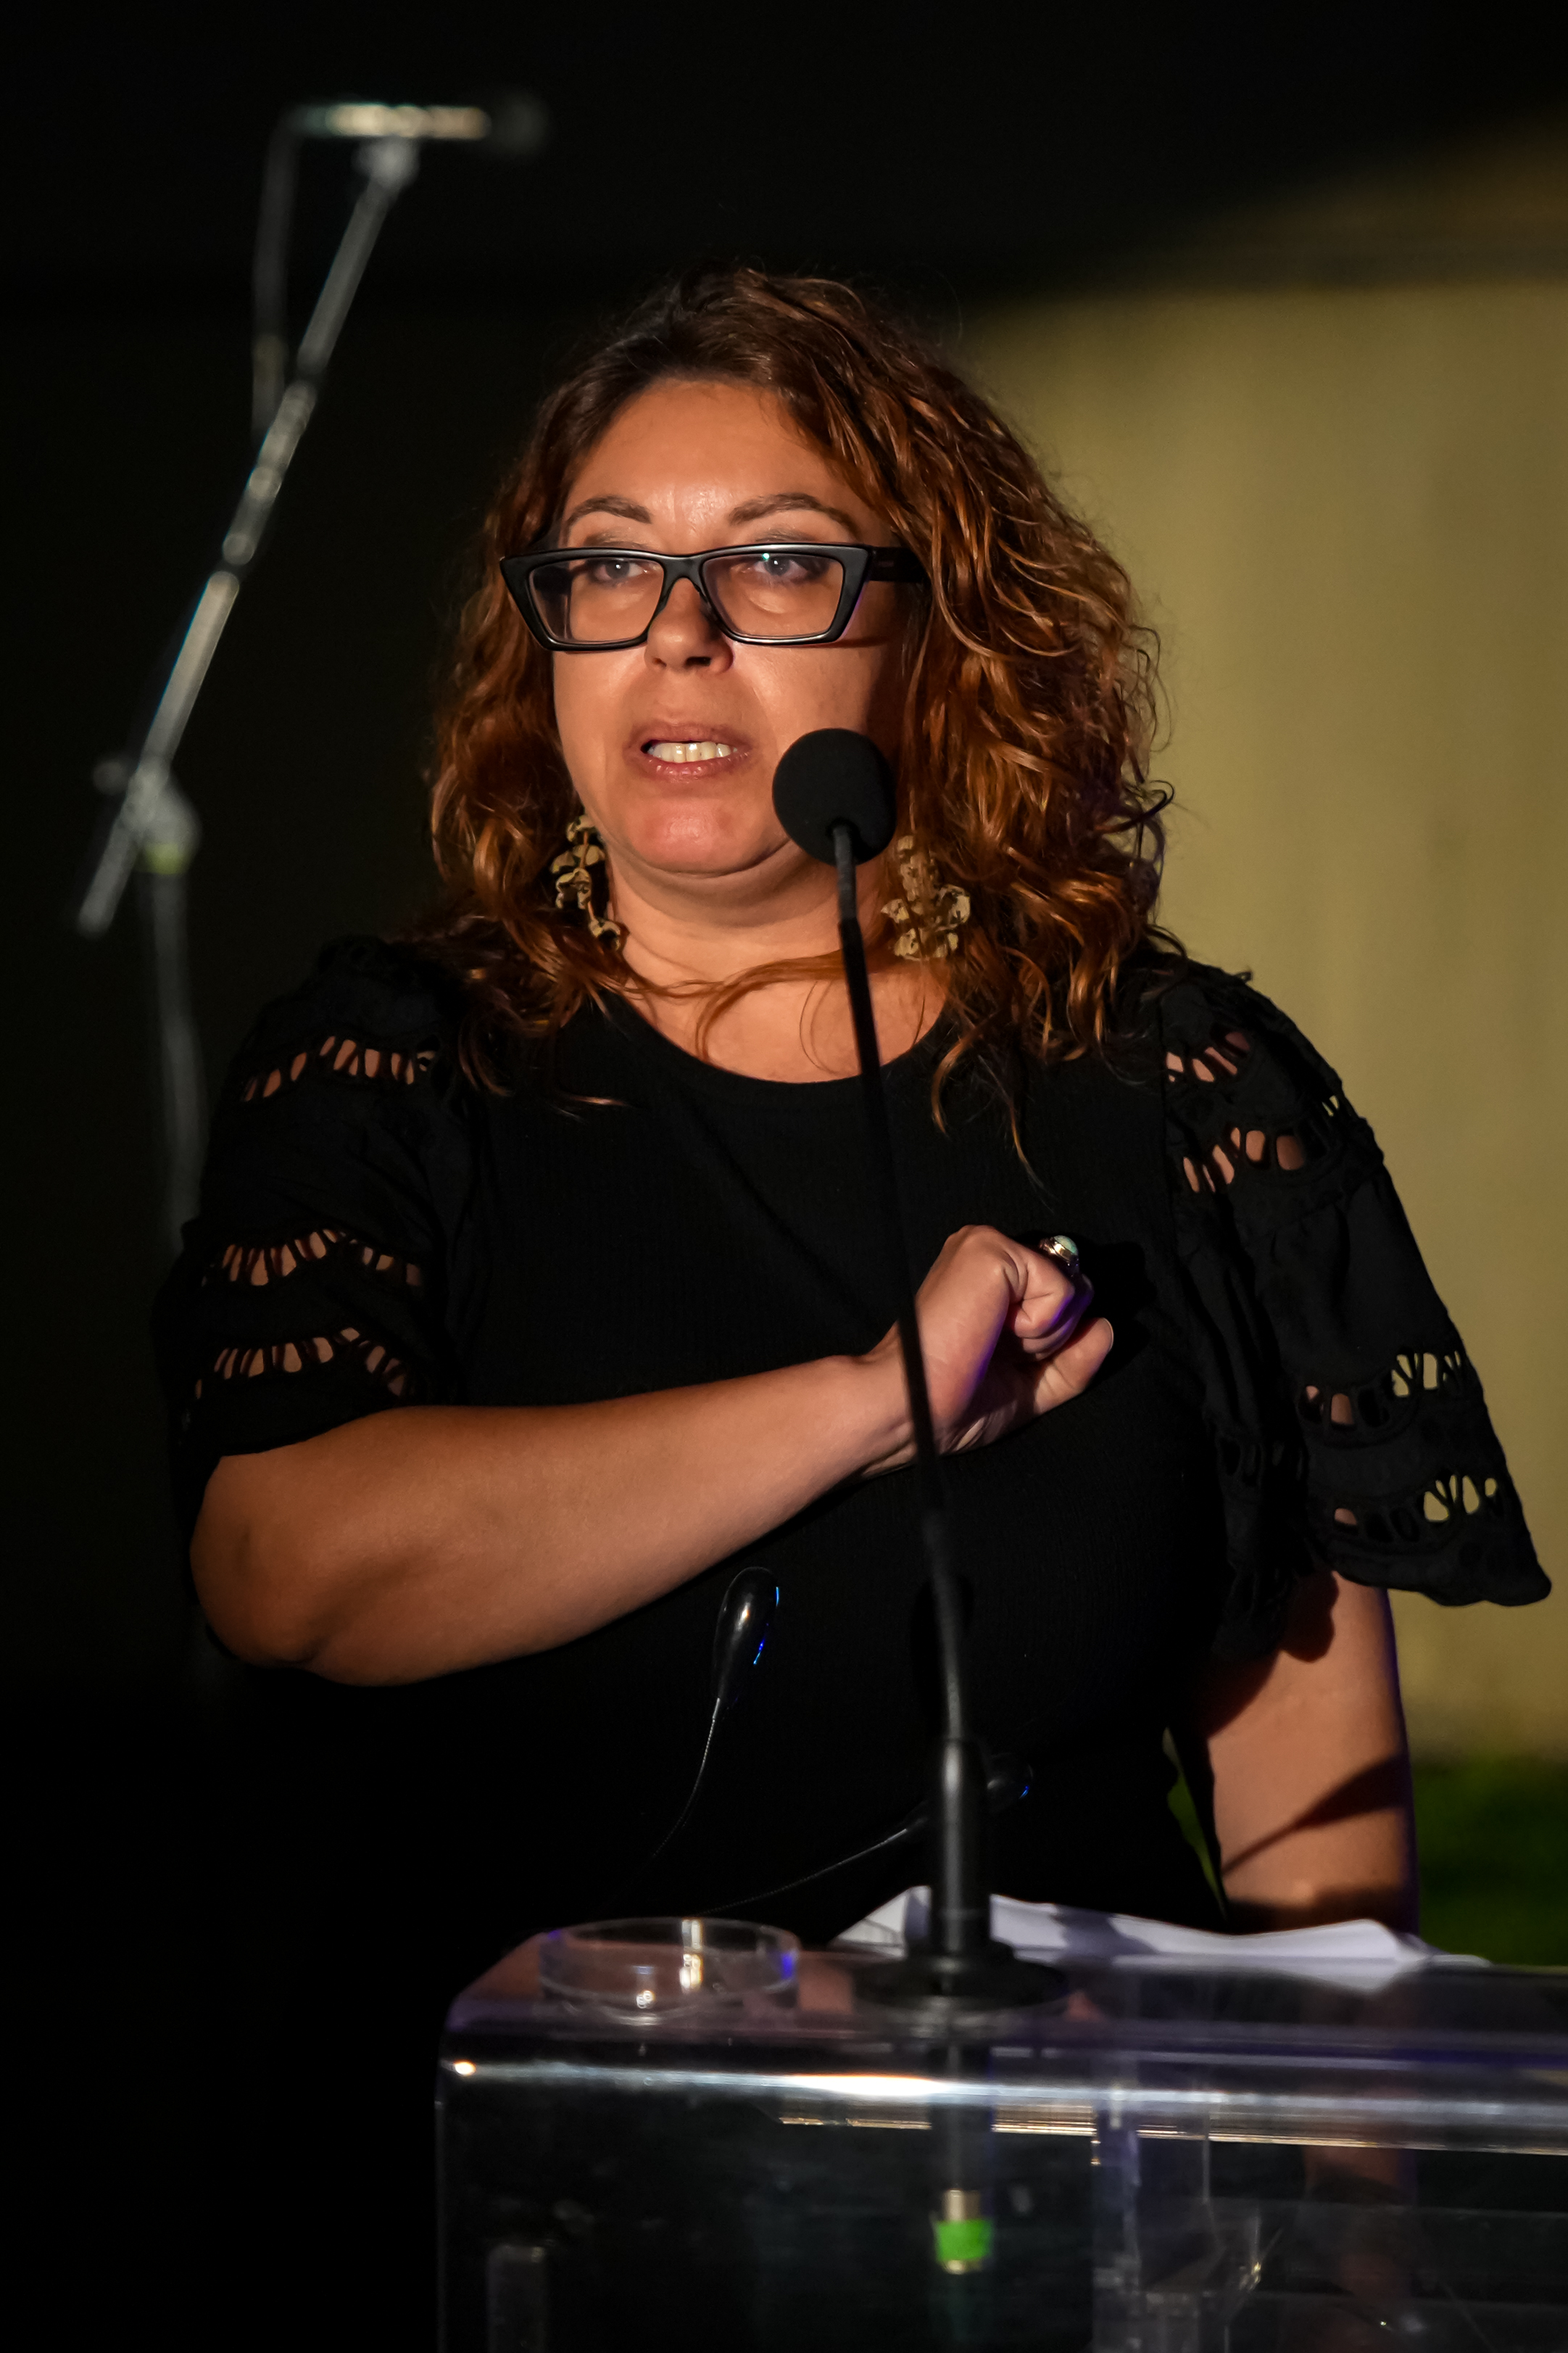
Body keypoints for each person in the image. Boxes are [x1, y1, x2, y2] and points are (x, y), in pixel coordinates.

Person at [154, 264, 1544, 2342]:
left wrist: (1338, 2214)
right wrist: (863, 1400)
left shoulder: (1168, 1087)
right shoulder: (401, 1072)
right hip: (528, 2207)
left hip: (1078, 2208)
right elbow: (290, 1571)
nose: (677, 633)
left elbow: (1291, 1705)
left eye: (777, 562)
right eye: (608, 567)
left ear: (939, 630)